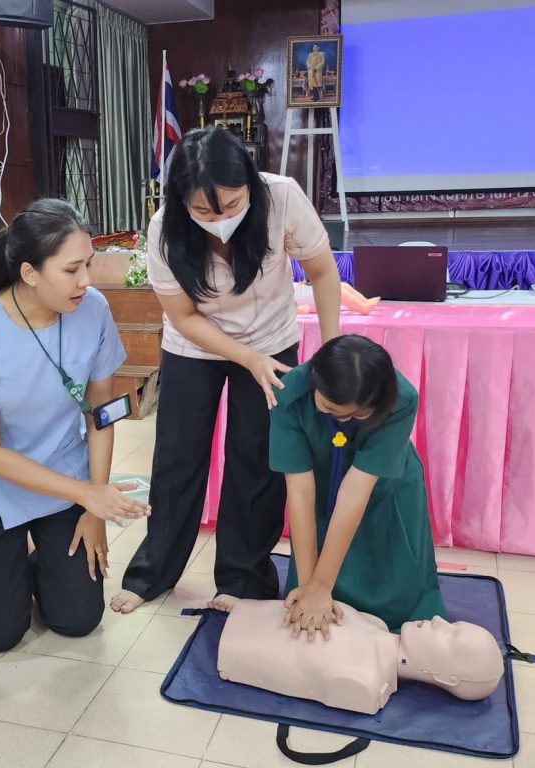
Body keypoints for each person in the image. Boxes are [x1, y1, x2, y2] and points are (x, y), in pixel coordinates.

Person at [111, 126, 341, 615]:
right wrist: (245, 358)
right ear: (182, 201)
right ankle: (153, 572)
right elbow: (184, 317)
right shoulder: (164, 229)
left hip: (271, 341)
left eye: (233, 205)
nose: (220, 221)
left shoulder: (281, 197)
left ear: (250, 185)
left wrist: (332, 348)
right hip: (194, 346)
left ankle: (242, 578)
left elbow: (323, 271)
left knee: (256, 459)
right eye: (204, 211)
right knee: (177, 458)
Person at [0, 199, 151, 653]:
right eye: (72, 269)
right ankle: (13, 561)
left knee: (78, 619)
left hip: (63, 479)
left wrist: (95, 506)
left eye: (89, 265)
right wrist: (87, 495)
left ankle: (40, 560)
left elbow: (101, 413)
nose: (86, 280)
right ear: (30, 273)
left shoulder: (93, 309)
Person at [269, 334, 447, 637]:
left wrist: (321, 586)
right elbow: (300, 492)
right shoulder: (289, 395)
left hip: (385, 486)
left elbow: (355, 490)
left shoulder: (402, 398)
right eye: (332, 409)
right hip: (320, 483)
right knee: (310, 601)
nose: (344, 420)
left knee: (394, 597)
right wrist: (309, 586)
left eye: (357, 414)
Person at [219, 599, 504, 715]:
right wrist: (245, 606)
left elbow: (290, 663)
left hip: (236, 645)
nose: (440, 621)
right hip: (255, 616)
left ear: (447, 677)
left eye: (451, 636)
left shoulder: (364, 683)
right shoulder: (377, 626)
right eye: (453, 625)